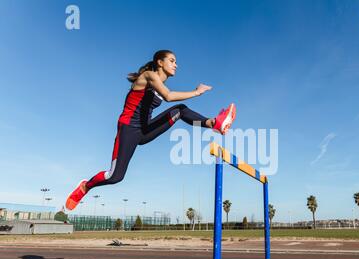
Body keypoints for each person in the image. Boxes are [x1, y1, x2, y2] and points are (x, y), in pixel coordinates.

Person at [65, 50, 236, 210]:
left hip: (145, 130)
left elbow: (168, 96)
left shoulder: (160, 84)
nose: (176, 65)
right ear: (159, 62)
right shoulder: (149, 76)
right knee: (115, 177)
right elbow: (169, 96)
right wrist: (196, 92)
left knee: (180, 110)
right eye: (172, 61)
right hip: (128, 130)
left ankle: (214, 123)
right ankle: (85, 186)